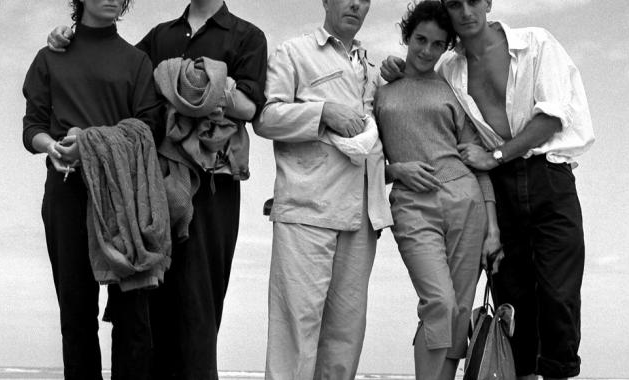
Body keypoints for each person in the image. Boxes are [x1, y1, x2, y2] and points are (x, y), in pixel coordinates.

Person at [47, 1, 268, 378]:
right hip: (153, 184)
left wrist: (191, 84)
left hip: (213, 185)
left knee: (200, 306)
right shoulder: (160, 35)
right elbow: (119, 68)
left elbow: (249, 106)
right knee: (149, 302)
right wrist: (68, 38)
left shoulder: (247, 35)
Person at [382, 0, 595, 378]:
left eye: (472, 1)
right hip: (496, 185)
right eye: (455, 4)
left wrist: (495, 155)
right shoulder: (450, 68)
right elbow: (414, 97)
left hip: (547, 174)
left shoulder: (536, 44)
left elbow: (553, 116)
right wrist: (395, 70)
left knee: (559, 297)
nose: (465, 11)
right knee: (511, 300)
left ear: (489, 2)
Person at [252, 0, 393, 378]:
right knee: (295, 331)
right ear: (327, 1)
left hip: (363, 212)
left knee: (345, 336)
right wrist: (323, 111)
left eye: (365, 0)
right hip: (307, 207)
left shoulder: (372, 68)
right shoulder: (294, 52)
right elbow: (265, 117)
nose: (356, 5)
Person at [22, 1, 163, 379]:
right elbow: (32, 126)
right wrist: (52, 147)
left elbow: (149, 127)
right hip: (67, 191)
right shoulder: (49, 58)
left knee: (133, 318)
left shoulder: (136, 61)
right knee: (76, 314)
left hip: (125, 195)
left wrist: (92, 142)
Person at [373, 2, 502, 379]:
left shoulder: (453, 92)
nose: (427, 51)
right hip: (412, 206)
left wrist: (492, 227)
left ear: (447, 47)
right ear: (406, 37)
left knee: (460, 309)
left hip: (467, 203)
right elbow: (362, 162)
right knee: (439, 302)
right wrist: (396, 170)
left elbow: (476, 163)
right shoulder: (380, 92)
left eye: (437, 44)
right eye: (420, 40)